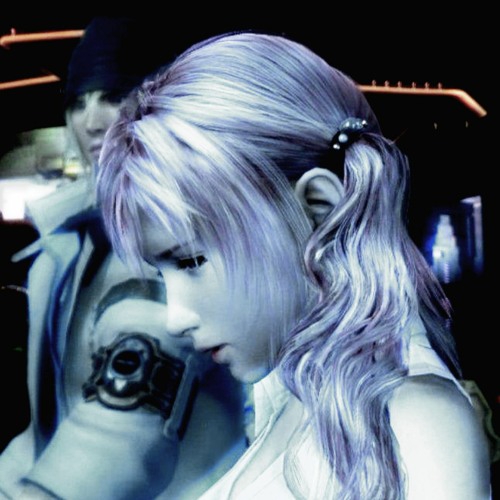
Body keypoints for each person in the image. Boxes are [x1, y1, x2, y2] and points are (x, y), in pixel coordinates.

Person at [96, 31, 493, 499]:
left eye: (192, 260)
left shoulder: (417, 425)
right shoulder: (290, 397)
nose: (175, 317)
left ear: (319, 209)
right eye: (163, 272)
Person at [0, 18, 248, 500]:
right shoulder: (68, 240)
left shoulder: (171, 239)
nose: (90, 122)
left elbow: (118, 446)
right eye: (78, 102)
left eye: (113, 96)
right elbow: (42, 436)